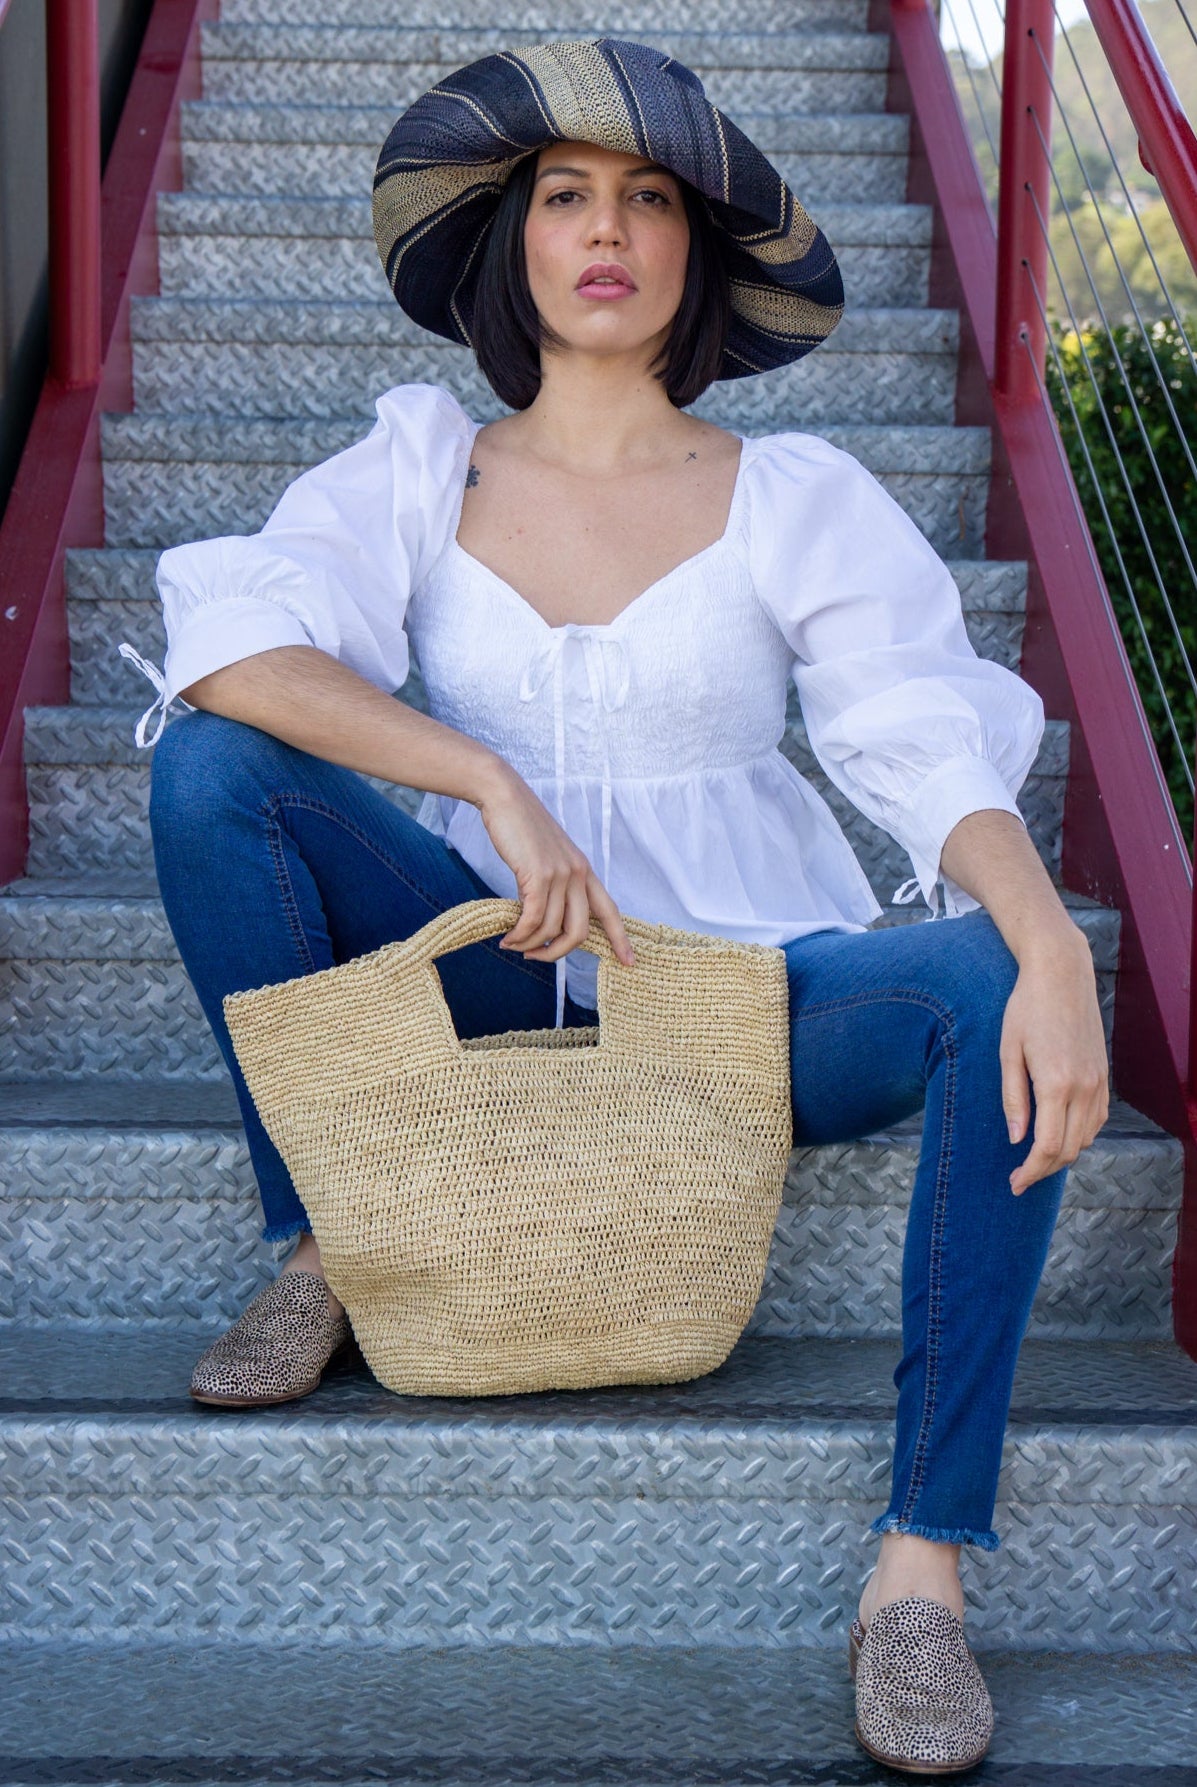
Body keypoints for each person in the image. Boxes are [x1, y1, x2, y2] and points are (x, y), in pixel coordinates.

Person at [120, 38, 1109, 1777]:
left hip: (726, 1004)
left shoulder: (790, 495)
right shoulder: (421, 466)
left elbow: (911, 734)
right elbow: (233, 653)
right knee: (211, 769)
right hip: (483, 976)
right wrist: (487, 783)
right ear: (509, 245)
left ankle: (921, 1565)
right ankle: (328, 1236)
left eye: (649, 199)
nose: (606, 229)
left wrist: (1043, 940)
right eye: (565, 196)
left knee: (973, 987)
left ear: (695, 257)